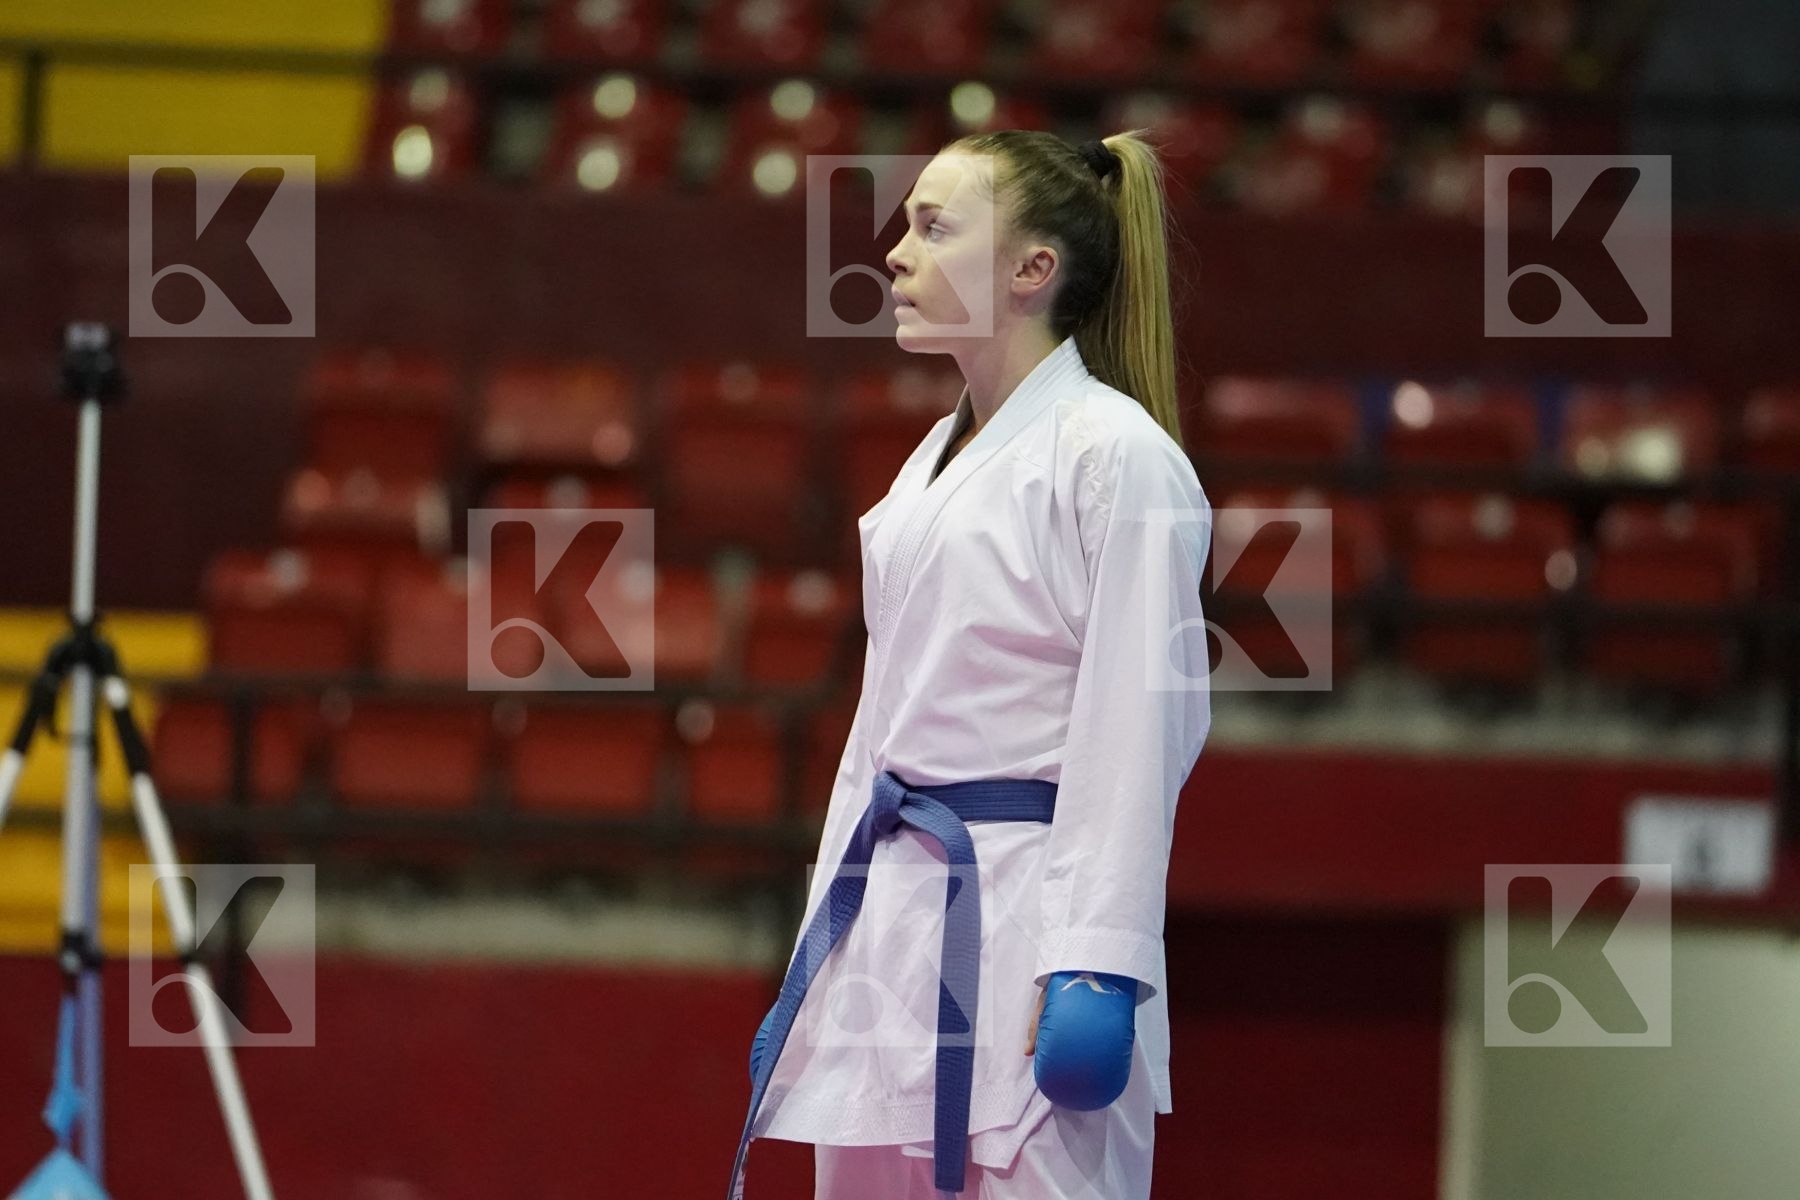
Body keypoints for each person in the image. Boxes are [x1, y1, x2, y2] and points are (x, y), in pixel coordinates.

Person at [728, 129, 1214, 1200]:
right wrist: (829, 925)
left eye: (933, 226)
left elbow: (1143, 725)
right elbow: (877, 734)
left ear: (1031, 270)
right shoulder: (930, 462)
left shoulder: (1116, 455)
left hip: (1030, 923)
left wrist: (1098, 955)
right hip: (894, 913)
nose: (896, 252)